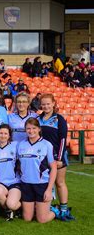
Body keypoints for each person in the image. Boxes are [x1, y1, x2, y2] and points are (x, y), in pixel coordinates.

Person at [38, 93, 73, 221]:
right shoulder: (38, 119)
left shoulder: (59, 119)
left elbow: (63, 139)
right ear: (40, 105)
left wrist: (59, 159)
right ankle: (49, 207)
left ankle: (64, 209)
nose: (46, 106)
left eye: (48, 103)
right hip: (43, 157)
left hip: (57, 156)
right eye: (43, 104)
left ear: (53, 103)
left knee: (59, 182)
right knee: (46, 182)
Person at [18, 118, 57, 223]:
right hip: (26, 184)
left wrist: (49, 189)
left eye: (34, 128)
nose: (31, 131)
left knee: (42, 219)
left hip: (42, 184)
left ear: (39, 129)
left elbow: (53, 167)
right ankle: (39, 208)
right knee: (27, 218)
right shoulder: (21, 144)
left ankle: (55, 210)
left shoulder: (47, 145)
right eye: (28, 128)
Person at [0, 124, 21, 221]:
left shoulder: (15, 145)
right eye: (1, 133)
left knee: (11, 203)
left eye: (5, 133)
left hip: (14, 181)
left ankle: (18, 207)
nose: (3, 136)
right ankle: (10, 212)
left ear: (9, 135)